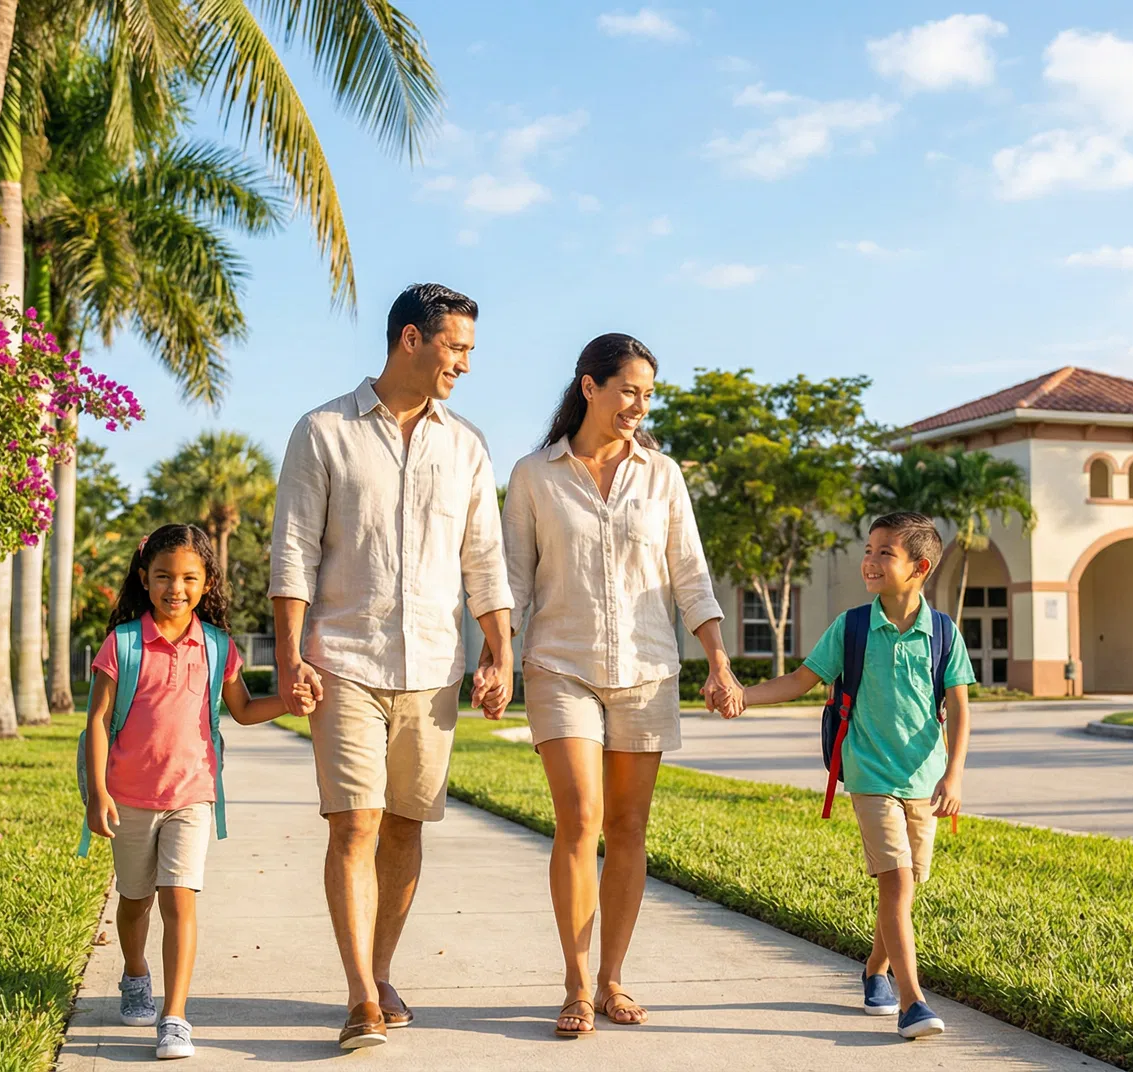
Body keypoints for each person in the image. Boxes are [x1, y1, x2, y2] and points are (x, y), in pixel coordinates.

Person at [269, 283, 515, 1051]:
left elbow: (484, 561)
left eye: (470, 350)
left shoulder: (466, 445)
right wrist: (287, 658)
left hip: (435, 669)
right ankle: (359, 1000)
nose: (466, 364)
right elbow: (293, 554)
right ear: (411, 339)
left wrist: (500, 653)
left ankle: (379, 972)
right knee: (357, 825)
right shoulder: (324, 432)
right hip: (342, 660)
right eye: (457, 347)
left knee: (407, 827)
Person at [501, 333, 744, 1038]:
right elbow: (513, 582)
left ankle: (612, 979)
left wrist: (720, 661)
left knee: (629, 827)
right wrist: (496, 656)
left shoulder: (662, 475)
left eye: (647, 394)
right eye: (627, 390)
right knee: (580, 819)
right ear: (589, 386)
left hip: (647, 669)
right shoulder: (533, 476)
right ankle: (576, 988)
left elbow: (690, 575)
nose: (638, 405)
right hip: (560, 664)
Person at [82, 523, 313, 1060]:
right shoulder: (122, 643)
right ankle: (135, 972)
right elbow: (96, 722)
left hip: (193, 796)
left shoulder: (217, 646)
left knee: (178, 898)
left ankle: (175, 1016)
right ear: (144, 578)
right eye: (163, 576)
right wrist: (98, 793)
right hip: (131, 797)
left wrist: (290, 702)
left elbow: (244, 710)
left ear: (206, 582)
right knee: (134, 900)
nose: (175, 588)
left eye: (189, 577)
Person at [738, 511, 973, 1041]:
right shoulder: (852, 627)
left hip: (925, 779)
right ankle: (913, 1001)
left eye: (884, 552)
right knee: (896, 881)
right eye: (869, 550)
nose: (869, 560)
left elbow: (958, 708)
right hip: (868, 775)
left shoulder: (943, 633)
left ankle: (874, 971)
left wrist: (953, 776)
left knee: (908, 888)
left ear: (920, 567)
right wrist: (744, 695)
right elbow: (802, 679)